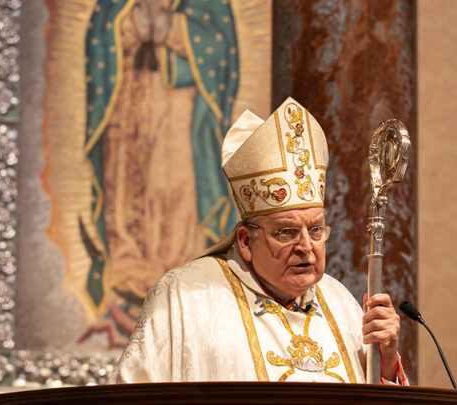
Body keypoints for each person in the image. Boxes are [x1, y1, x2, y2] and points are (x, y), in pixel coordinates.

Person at [109, 97, 407, 384]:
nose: (306, 246)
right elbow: (132, 398)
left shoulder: (340, 302)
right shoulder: (184, 298)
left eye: (316, 230)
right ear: (245, 242)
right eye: (286, 232)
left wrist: (387, 364)